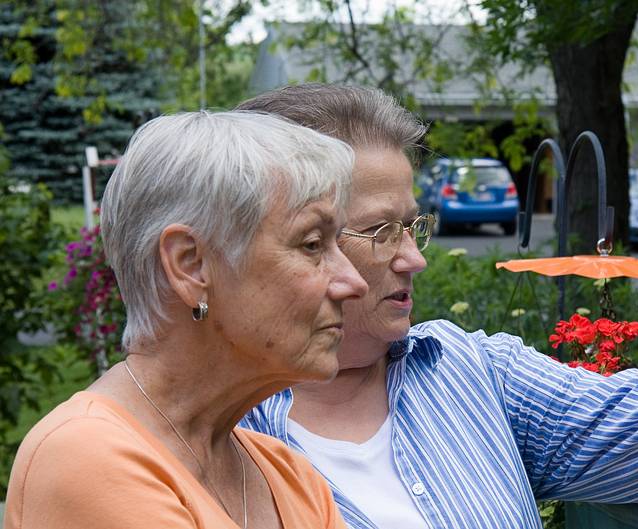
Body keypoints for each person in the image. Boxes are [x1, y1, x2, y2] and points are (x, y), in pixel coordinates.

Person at [237, 84, 638, 529]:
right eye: (382, 231)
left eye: (414, 226)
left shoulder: (466, 371)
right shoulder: (207, 427)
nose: (414, 259)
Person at [4, 110, 369, 529]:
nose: (352, 282)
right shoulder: (88, 456)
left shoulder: (288, 475)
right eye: (312, 244)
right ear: (191, 265)